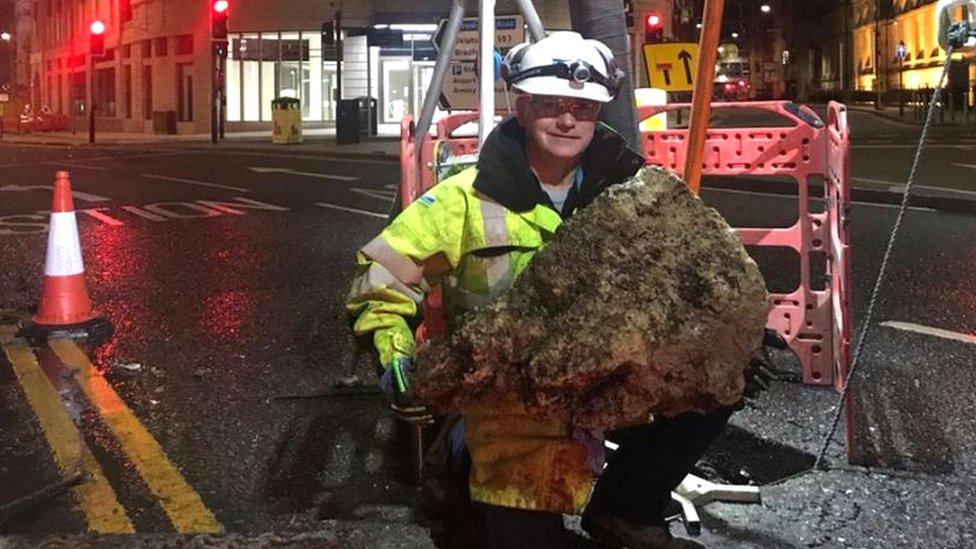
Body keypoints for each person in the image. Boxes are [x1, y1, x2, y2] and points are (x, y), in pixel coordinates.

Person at [347, 31, 733, 548]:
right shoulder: (463, 200)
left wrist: (728, 331)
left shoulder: (636, 196)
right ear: (521, 106)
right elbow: (382, 279)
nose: (568, 119)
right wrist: (393, 356)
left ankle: (625, 507)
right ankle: (456, 464)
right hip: (507, 400)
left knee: (723, 374)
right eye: (551, 104)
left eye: (583, 106)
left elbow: (695, 279)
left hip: (608, 385)